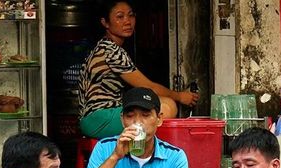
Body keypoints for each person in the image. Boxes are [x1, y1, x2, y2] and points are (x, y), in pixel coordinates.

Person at [78, 0, 199, 138]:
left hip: (98, 117)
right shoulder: (110, 51)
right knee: (167, 106)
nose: (127, 21)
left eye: (131, 15)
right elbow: (148, 87)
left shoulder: (106, 47)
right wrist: (180, 96)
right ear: (105, 22)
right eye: (120, 16)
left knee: (155, 108)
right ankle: (143, 153)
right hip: (99, 118)